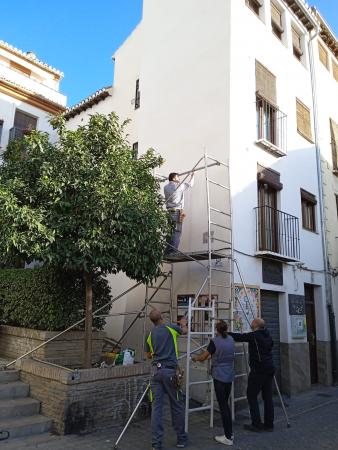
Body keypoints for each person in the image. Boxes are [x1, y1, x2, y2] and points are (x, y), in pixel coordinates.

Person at [145, 309, 188, 450]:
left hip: (156, 373)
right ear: (162, 317)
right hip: (170, 372)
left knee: (156, 409)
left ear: (152, 321)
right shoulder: (171, 328)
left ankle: (156, 444)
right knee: (176, 405)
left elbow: (148, 355)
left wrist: (157, 352)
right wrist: (183, 323)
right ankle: (181, 439)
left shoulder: (150, 334)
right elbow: (185, 331)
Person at [192, 321, 235, 446]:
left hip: (219, 376)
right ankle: (229, 433)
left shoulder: (214, 341)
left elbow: (204, 356)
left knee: (223, 407)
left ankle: (228, 437)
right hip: (229, 375)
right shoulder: (231, 339)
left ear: (216, 330)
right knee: (225, 404)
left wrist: (195, 358)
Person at [229, 318, 275, 432]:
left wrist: (226, 333)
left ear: (257, 325)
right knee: (268, 397)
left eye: (253, 322)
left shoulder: (255, 335)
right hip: (270, 368)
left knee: (251, 395)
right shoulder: (267, 335)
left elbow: (241, 337)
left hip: (259, 370)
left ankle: (256, 424)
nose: (251, 323)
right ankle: (269, 425)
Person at [164, 171, 195, 253]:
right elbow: (190, 184)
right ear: (174, 178)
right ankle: (173, 251)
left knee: (170, 232)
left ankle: (167, 251)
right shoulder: (178, 185)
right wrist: (193, 176)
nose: (180, 179)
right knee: (176, 231)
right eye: (178, 177)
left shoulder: (166, 187)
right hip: (176, 212)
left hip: (169, 212)